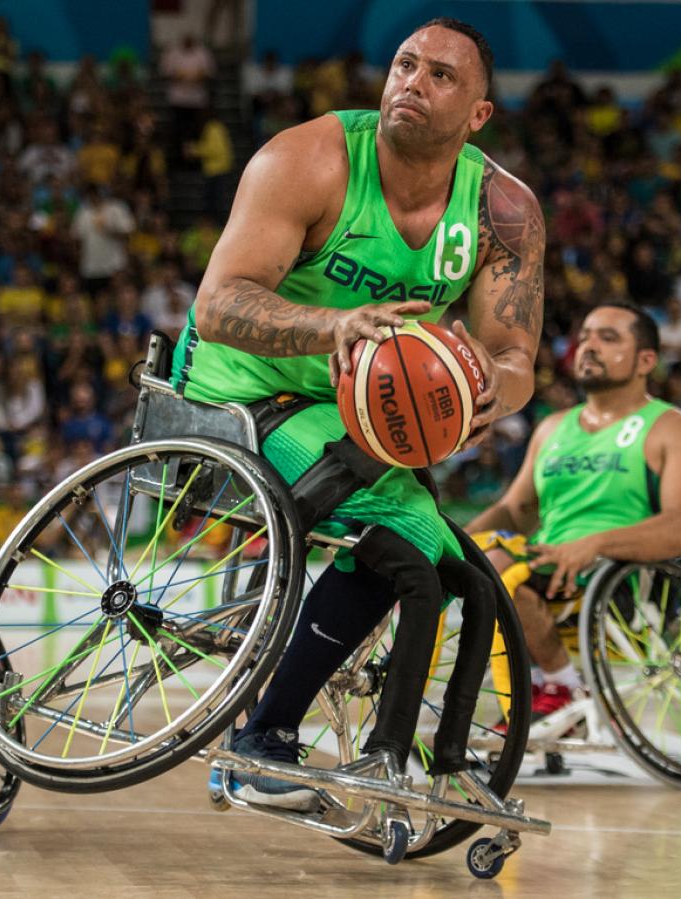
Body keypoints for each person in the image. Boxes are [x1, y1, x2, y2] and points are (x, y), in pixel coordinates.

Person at [172, 19, 544, 810]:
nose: (413, 82)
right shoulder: (306, 159)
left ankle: (438, 757)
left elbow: (514, 356)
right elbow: (217, 304)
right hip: (238, 387)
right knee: (408, 540)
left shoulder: (503, 209)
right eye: (405, 65)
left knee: (460, 572)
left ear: (478, 113)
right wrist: (332, 326)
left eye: (442, 76)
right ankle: (263, 741)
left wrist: (489, 389)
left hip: (355, 416)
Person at [468, 304, 681, 719]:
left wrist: (594, 543)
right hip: (548, 568)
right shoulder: (553, 428)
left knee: (499, 564)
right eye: (584, 336)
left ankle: (562, 688)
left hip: (624, 578)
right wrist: (449, 541)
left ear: (646, 361)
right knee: (470, 560)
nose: (588, 346)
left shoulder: (678, 430)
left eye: (608, 337)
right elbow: (515, 512)